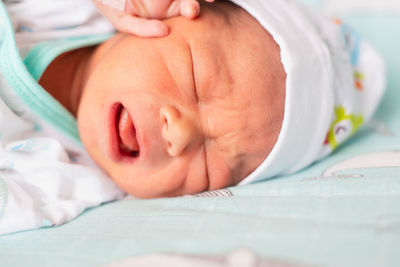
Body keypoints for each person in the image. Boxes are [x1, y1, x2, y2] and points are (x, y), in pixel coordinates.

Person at [0, 0, 385, 233]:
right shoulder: (71, 10)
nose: (180, 135)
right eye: (195, 80)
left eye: (208, 164)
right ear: (172, 12)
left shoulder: (66, 180)